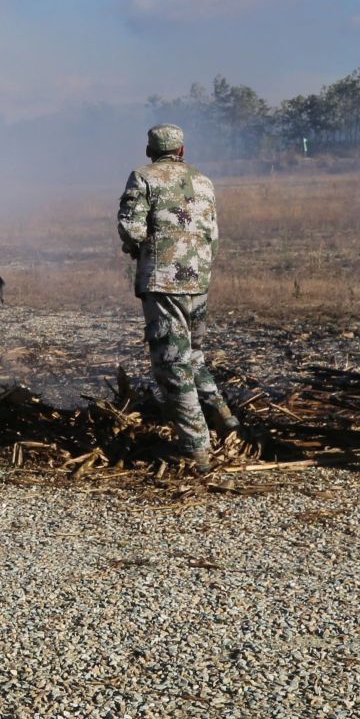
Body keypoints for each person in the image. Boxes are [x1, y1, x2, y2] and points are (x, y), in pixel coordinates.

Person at [117, 124, 234, 472]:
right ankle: (224, 417)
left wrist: (136, 247)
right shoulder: (203, 181)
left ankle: (196, 448)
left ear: (150, 151)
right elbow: (213, 236)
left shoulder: (143, 177)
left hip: (163, 281)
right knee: (193, 354)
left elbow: (131, 228)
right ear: (182, 150)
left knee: (172, 364)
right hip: (198, 280)